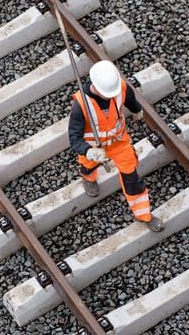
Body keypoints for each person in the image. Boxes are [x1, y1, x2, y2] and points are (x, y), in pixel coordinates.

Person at [68, 60, 164, 232]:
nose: (111, 96)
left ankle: (144, 215)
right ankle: (88, 178)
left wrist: (136, 110)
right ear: (95, 87)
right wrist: (88, 151)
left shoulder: (119, 87)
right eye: (107, 94)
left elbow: (129, 98)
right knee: (88, 166)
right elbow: (74, 139)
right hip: (94, 148)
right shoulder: (81, 105)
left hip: (119, 143)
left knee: (132, 177)